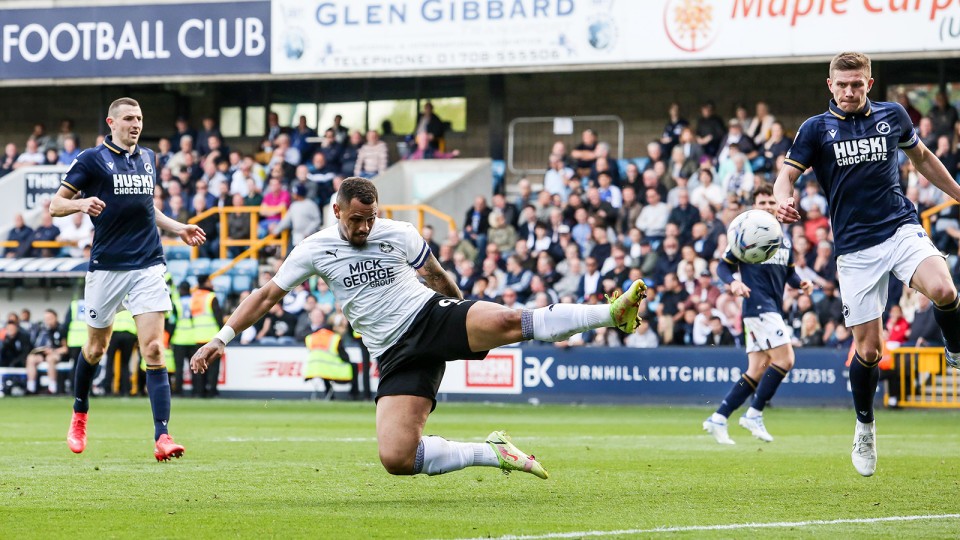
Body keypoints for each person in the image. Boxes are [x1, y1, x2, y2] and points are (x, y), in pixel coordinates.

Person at [191, 177, 648, 479]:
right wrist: (220, 338)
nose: (365, 227)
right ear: (336, 211)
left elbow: (436, 277)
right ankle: (493, 451)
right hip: (393, 353)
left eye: (371, 217)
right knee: (397, 458)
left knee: (511, 320)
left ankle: (612, 313)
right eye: (356, 219)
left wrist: (462, 310)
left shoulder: (399, 232)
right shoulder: (313, 249)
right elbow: (266, 296)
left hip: (430, 316)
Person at [775, 52, 960, 477]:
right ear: (830, 85)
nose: (849, 91)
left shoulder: (893, 116)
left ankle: (955, 348)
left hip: (899, 228)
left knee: (944, 289)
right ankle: (865, 427)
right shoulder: (815, 128)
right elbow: (786, 175)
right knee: (869, 351)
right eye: (842, 84)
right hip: (855, 250)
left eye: (857, 83)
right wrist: (783, 199)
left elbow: (922, 158)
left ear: (869, 84)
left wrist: (957, 193)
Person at [50, 97, 205, 461]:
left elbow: (145, 206)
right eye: (129, 118)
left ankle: (162, 436)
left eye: (139, 118)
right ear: (112, 122)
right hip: (107, 267)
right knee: (95, 349)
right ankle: (80, 413)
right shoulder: (91, 159)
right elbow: (56, 205)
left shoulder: (148, 157)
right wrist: (81, 203)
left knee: (154, 349)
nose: (136, 124)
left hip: (148, 264)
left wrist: (178, 227)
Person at [703, 184, 813, 445]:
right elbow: (722, 267)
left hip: (770, 308)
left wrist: (800, 283)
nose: (767, 206)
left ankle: (719, 417)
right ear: (754, 206)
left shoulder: (782, 237)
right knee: (786, 359)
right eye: (762, 203)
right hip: (758, 306)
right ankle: (754, 413)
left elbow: (789, 273)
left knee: (756, 370)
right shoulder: (745, 233)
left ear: (778, 205)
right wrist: (733, 283)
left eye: (771, 202)